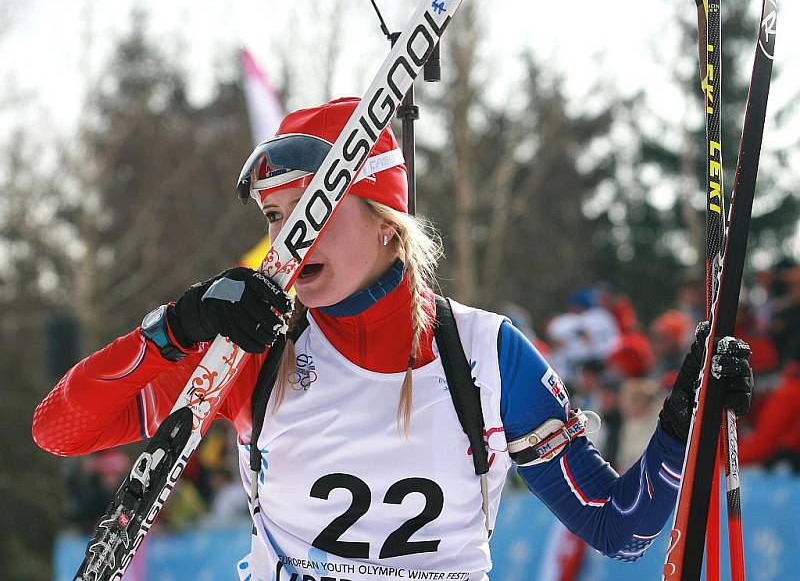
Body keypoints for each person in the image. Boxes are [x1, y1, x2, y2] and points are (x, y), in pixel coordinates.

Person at [33, 97, 755, 581]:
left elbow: (619, 529)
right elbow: (61, 429)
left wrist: (685, 419)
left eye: (310, 210)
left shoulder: (488, 356)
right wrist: (179, 325)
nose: (287, 238)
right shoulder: (254, 354)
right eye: (273, 217)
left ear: (387, 221)